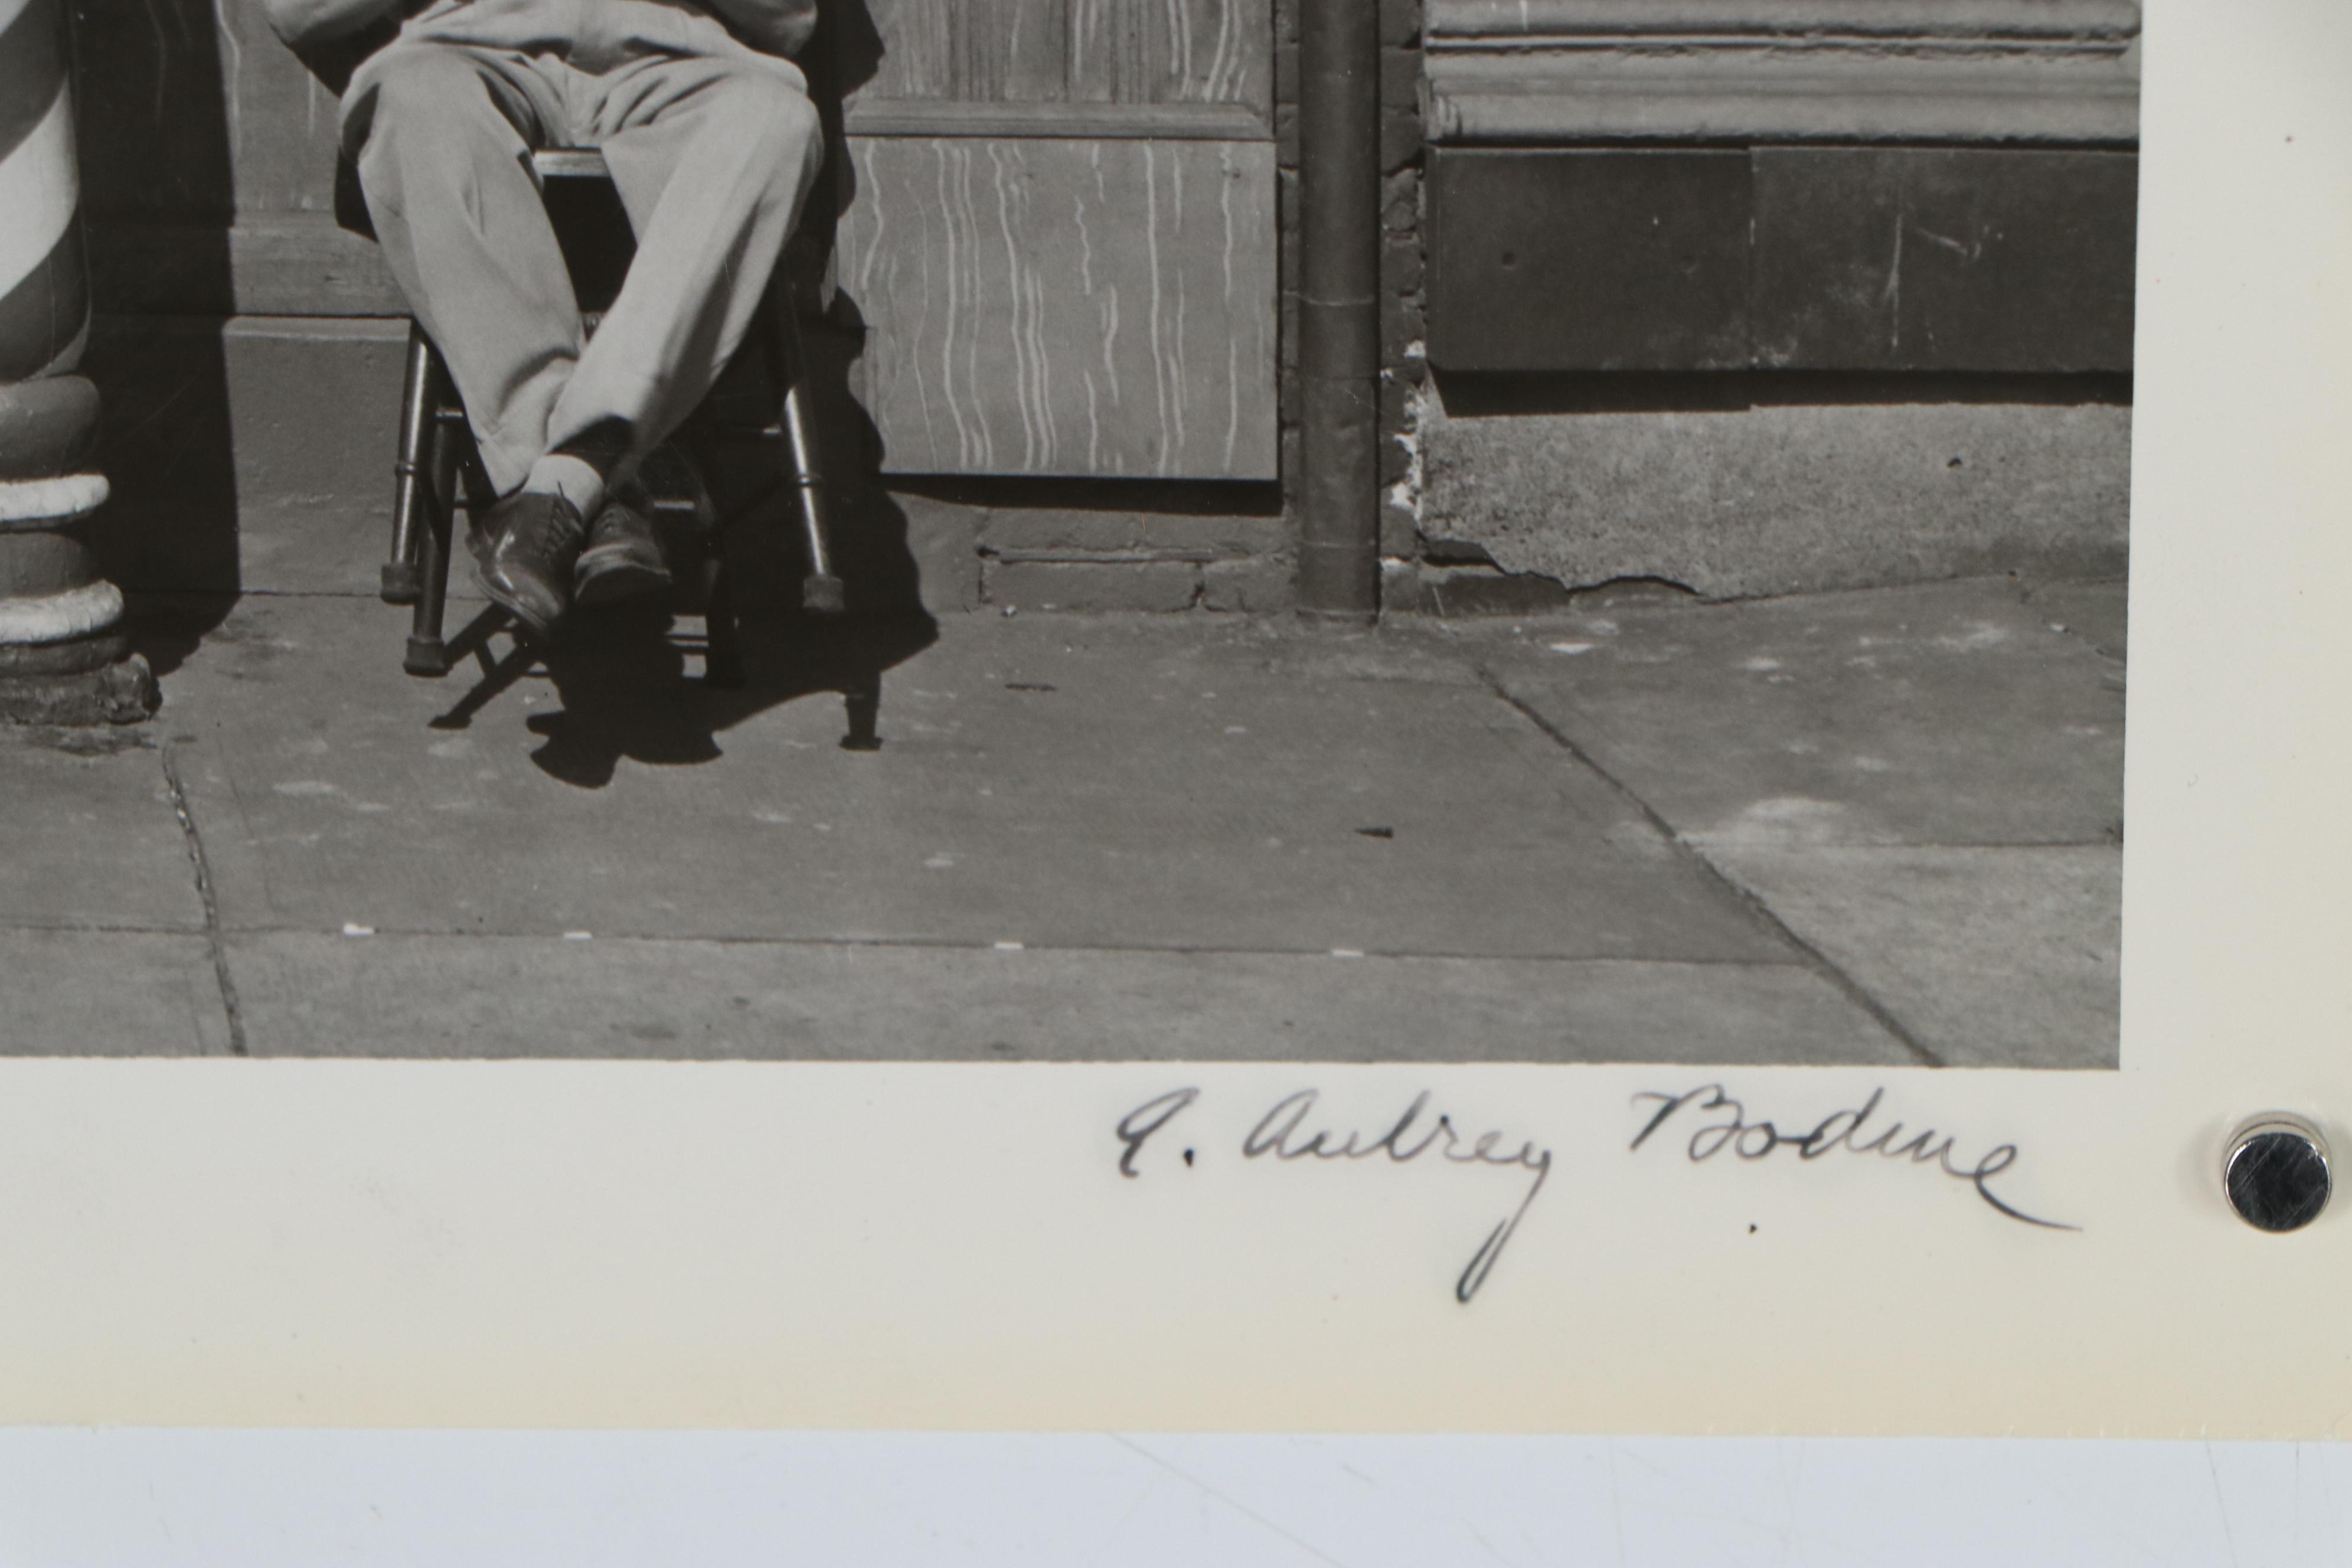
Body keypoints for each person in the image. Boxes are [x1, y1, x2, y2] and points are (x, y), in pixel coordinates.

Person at [260, 0, 825, 639]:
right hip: (476, 56)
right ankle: (592, 480)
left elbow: (791, 18)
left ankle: (561, 490)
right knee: (414, 98)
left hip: (683, 70)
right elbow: (294, 11)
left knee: (778, 122)